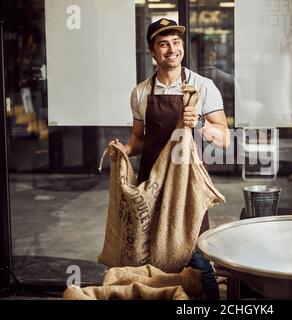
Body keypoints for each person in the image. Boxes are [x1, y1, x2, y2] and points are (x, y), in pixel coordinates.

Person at [108, 18, 229, 300]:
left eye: (176, 42)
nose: (171, 49)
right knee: (148, 253)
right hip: (150, 184)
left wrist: (199, 123)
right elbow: (139, 138)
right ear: (153, 51)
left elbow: (224, 137)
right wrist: (124, 150)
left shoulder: (202, 86)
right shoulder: (140, 92)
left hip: (188, 187)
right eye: (163, 44)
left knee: (195, 254)